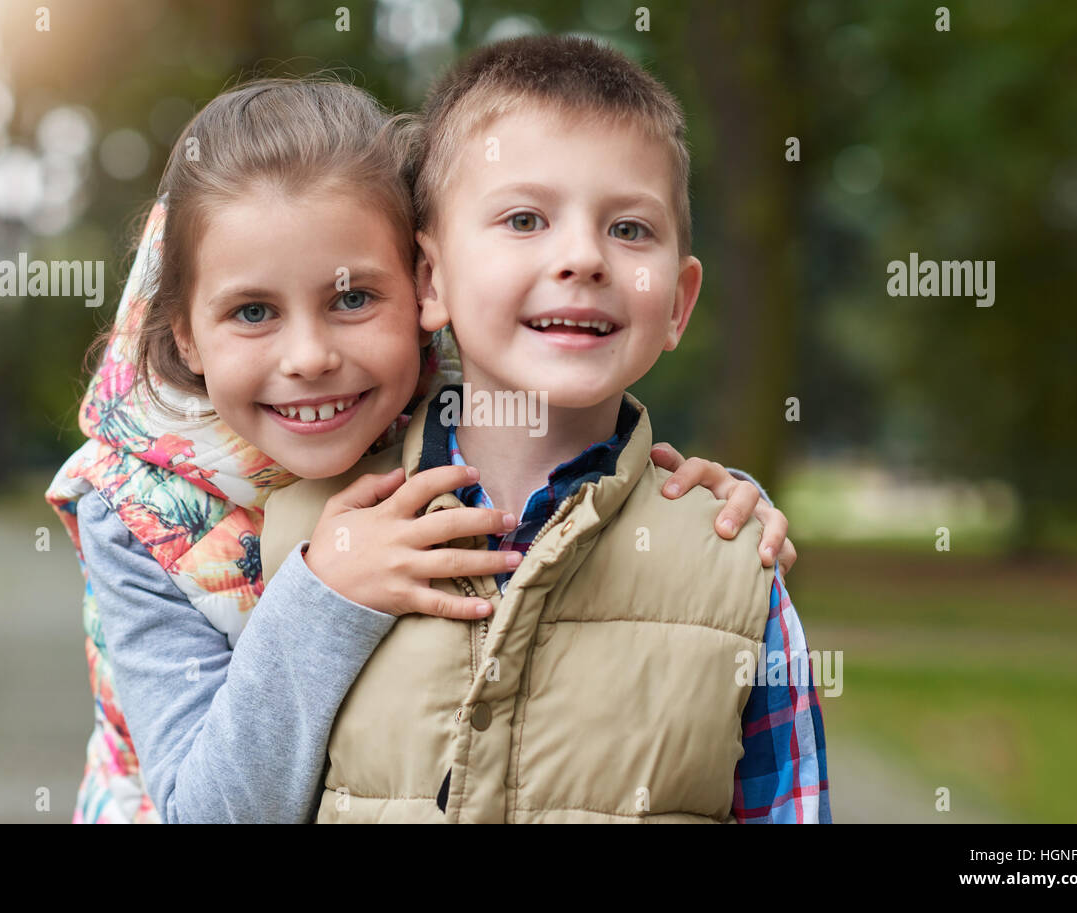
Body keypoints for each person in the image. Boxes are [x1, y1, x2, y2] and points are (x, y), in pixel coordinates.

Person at [45, 75, 795, 823]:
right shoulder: (135, 512)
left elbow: (564, 389)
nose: (308, 356)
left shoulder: (444, 408)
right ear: (185, 333)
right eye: (252, 310)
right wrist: (325, 593)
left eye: (352, 299)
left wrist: (707, 506)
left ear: (423, 288)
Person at [259, 36, 829, 823]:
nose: (583, 257)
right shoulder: (302, 534)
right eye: (525, 218)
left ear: (677, 303)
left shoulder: (737, 565)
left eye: (630, 229)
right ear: (431, 279)